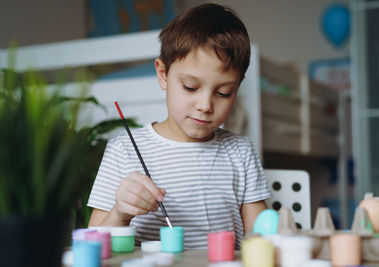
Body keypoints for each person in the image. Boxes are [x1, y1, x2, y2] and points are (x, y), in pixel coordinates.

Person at [87, 3, 271, 249]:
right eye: (191, 88)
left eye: (224, 92)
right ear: (163, 74)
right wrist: (120, 212)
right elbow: (94, 243)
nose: (205, 105)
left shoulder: (240, 151)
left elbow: (261, 236)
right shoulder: (123, 151)